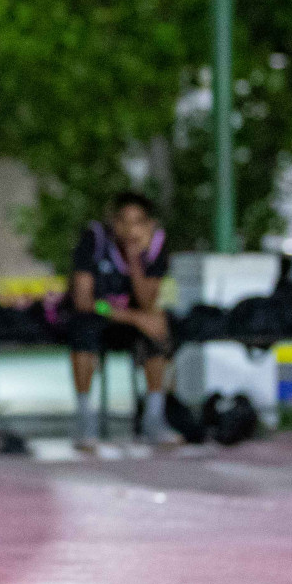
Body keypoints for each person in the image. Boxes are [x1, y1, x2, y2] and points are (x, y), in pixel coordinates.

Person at [63, 191, 183, 451]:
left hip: (129, 324)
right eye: (124, 221)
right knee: (83, 332)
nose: (131, 229)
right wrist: (133, 317)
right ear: (113, 223)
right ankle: (86, 420)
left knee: (159, 328)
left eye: (138, 222)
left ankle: (153, 417)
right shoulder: (94, 240)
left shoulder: (155, 246)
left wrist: (135, 263)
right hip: (98, 316)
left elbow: (148, 302)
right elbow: (84, 300)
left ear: (149, 225)